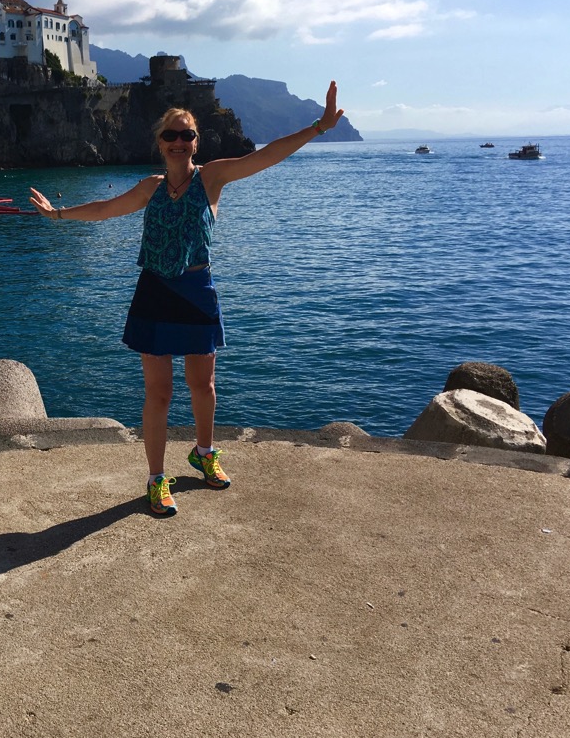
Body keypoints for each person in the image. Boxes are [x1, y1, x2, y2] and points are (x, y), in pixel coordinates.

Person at [29, 81, 344, 516]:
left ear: (197, 142)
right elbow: (105, 209)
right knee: (158, 395)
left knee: (203, 385)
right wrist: (58, 215)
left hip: (196, 291)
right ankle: (157, 479)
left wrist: (318, 127)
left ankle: (204, 452)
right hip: (154, 291)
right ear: (160, 143)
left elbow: (264, 157)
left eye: (187, 135)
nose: (179, 142)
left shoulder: (211, 178)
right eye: (171, 135)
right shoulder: (150, 187)